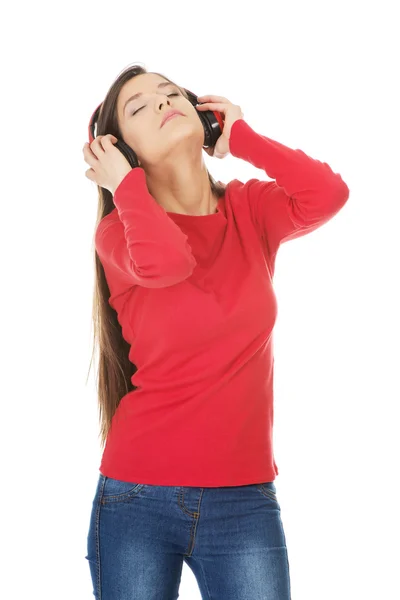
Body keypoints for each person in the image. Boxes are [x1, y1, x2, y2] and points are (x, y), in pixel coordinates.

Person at [82, 63, 349, 600]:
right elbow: (169, 262)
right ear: (123, 152)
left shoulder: (251, 210)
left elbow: (328, 195)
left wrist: (241, 137)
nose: (162, 102)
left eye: (170, 92)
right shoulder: (119, 234)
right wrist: (126, 187)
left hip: (245, 501)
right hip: (137, 496)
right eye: (140, 107)